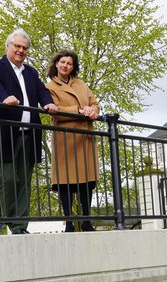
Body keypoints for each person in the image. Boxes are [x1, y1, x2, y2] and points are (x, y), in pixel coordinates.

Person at [0, 29, 58, 234]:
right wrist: (4, 98)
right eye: (17, 46)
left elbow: (42, 91)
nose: (21, 50)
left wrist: (48, 103)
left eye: (24, 48)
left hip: (29, 134)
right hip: (4, 134)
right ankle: (12, 221)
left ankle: (19, 226)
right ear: (8, 46)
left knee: (24, 181)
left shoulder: (31, 72)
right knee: (8, 179)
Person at [45, 50, 100, 232]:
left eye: (69, 63)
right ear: (56, 64)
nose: (65, 66)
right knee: (65, 181)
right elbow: (55, 110)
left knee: (87, 181)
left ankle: (86, 220)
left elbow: (94, 103)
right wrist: (78, 110)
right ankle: (68, 222)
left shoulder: (81, 84)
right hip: (65, 138)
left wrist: (93, 112)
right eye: (62, 62)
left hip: (85, 138)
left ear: (73, 66)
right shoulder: (50, 87)